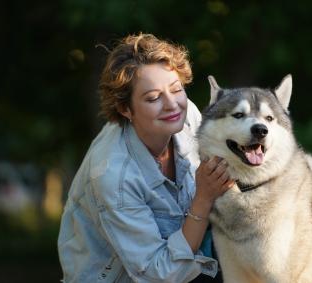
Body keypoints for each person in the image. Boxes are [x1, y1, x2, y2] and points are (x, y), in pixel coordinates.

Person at [57, 33, 234, 283]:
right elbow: (160, 274)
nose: (172, 104)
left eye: (176, 89)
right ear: (125, 109)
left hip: (185, 261)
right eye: (153, 98)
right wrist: (204, 198)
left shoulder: (187, 117)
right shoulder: (113, 176)